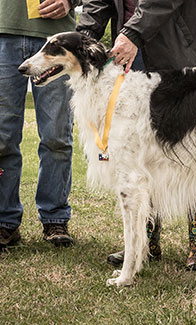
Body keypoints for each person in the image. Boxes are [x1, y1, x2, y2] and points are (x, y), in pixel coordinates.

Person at [77, 0, 196, 270]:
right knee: (141, 153)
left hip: (185, 44)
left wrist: (133, 32)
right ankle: (144, 242)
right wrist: (81, 41)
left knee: (195, 144)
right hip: (133, 46)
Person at [0, 0, 81, 250]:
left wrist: (71, 1)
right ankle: (5, 221)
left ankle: (55, 218)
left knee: (56, 136)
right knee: (2, 137)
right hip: (4, 33)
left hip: (56, 37)